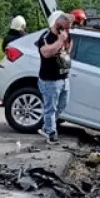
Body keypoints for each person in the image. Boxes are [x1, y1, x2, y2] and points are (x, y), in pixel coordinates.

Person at [35, 11, 73, 145]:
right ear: (58, 25)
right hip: (50, 79)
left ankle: (47, 126)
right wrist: (60, 40)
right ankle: (51, 132)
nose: (68, 30)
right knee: (50, 107)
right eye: (66, 27)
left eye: (69, 27)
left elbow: (68, 49)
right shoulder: (47, 37)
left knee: (62, 104)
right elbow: (46, 53)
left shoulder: (67, 35)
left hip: (63, 77)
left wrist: (66, 42)